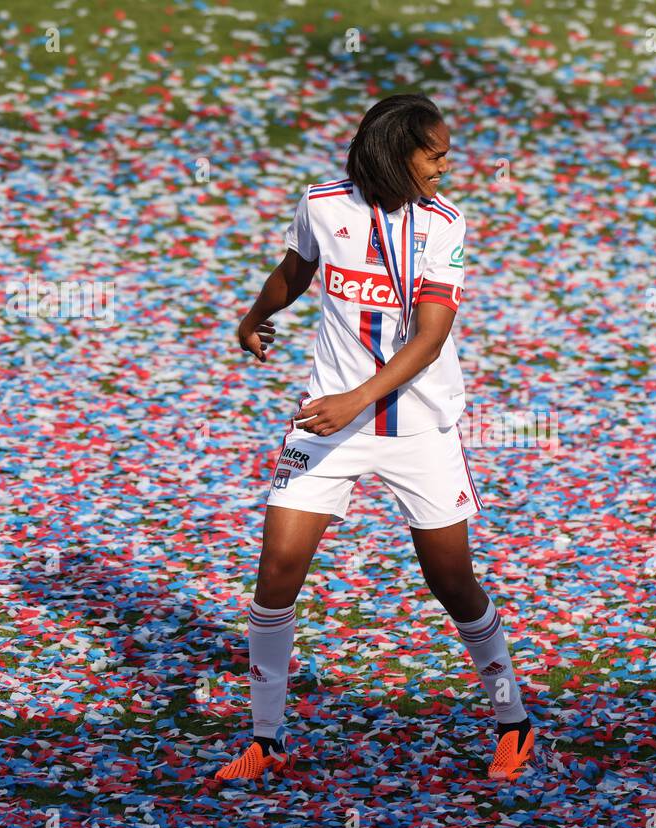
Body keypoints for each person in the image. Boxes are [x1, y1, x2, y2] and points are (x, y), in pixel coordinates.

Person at [215, 94, 535, 785]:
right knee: (277, 573)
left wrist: (355, 401)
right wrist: (254, 316)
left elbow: (429, 337)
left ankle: (513, 719)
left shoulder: (444, 225)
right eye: (436, 154)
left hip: (414, 424)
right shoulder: (322, 205)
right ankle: (265, 738)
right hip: (329, 424)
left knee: (449, 579)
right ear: (396, 154)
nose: (448, 165)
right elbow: (296, 270)